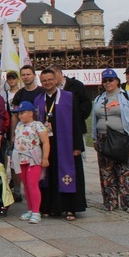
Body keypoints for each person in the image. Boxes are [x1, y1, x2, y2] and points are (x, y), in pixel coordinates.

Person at [92, 68, 129, 212]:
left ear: (117, 81)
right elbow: (95, 119)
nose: (107, 83)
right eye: (104, 80)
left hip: (124, 138)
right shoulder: (99, 99)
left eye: (110, 80)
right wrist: (94, 138)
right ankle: (110, 201)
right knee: (107, 172)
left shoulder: (128, 96)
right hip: (104, 139)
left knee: (127, 172)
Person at [34, 68, 86, 220]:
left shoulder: (68, 97)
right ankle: (51, 207)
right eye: (44, 80)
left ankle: (70, 208)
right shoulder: (38, 100)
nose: (47, 83)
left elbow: (76, 121)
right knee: (48, 176)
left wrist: (77, 146)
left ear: (56, 80)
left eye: (50, 79)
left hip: (66, 144)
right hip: (46, 145)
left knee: (68, 174)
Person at [10, 101, 50, 224]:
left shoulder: (38, 125)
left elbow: (45, 142)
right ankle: (30, 209)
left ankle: (37, 211)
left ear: (31, 113)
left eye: (22, 113)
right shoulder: (19, 126)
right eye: (19, 114)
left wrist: (45, 158)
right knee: (26, 185)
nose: (20, 116)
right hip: (20, 158)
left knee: (33, 184)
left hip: (33, 158)